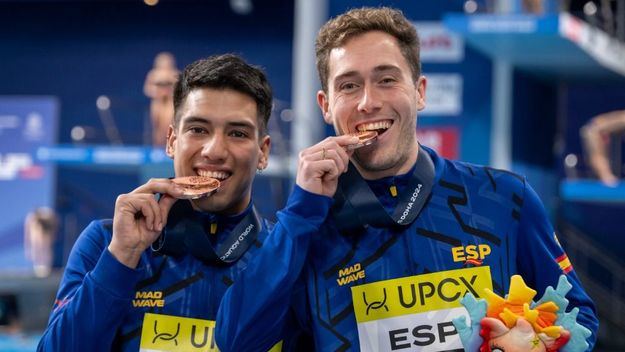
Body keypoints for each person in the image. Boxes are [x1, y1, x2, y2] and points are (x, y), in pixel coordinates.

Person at [216, 7, 599, 351]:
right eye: (349, 86)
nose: (368, 101)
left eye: (387, 79)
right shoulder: (304, 229)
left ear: (419, 92)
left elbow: (578, 317)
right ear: (326, 106)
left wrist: (534, 343)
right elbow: (237, 342)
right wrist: (301, 214)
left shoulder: (505, 200)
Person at [38, 54, 290, 351]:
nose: (214, 150)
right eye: (198, 129)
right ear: (172, 141)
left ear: (262, 152)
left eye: (237, 133)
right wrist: (121, 256)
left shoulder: (286, 256)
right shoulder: (105, 243)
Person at [580, 109, 625, 186]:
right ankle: (606, 178)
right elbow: (593, 129)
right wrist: (605, 174)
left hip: (599, 129)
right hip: (594, 130)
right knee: (593, 131)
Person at [144, 52, 179, 146]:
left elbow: (179, 90)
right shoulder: (153, 74)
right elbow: (147, 89)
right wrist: (158, 92)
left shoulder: (175, 74)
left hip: (169, 104)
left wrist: (169, 91)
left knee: (168, 125)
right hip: (157, 103)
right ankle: (156, 147)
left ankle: (168, 146)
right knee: (156, 127)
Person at [24, 207, 59, 277]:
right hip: (38, 227)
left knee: (46, 249)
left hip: (47, 227)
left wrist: (54, 235)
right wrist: (27, 249)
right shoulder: (31, 219)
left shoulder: (50, 216)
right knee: (38, 247)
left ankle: (45, 268)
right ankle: (39, 267)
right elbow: (27, 236)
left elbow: (55, 225)